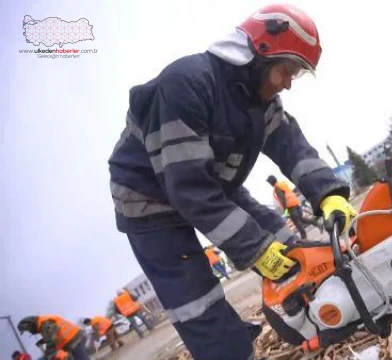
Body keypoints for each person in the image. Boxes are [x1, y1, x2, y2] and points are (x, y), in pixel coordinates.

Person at [106, 3, 356, 359]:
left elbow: (291, 145)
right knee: (198, 303)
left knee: (287, 246)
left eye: (295, 76)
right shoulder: (186, 85)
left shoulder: (259, 98)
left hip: (206, 183)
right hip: (149, 200)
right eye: (287, 71)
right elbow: (189, 190)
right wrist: (255, 250)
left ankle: (318, 310)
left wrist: (328, 194)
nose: (287, 84)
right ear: (259, 57)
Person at [267, 175, 324, 240]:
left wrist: (286, 210)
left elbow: (282, 199)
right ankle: (317, 223)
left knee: (297, 223)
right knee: (302, 219)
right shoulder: (282, 184)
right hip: (296, 203)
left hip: (290, 207)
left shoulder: (276, 188)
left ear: (270, 182)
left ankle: (304, 238)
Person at [17, 315, 89, 360]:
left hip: (74, 340)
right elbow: (54, 334)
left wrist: (47, 356)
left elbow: (52, 343)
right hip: (73, 340)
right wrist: (43, 341)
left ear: (31, 325)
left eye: (28, 330)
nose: (30, 332)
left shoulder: (44, 324)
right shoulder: (43, 324)